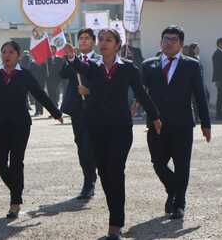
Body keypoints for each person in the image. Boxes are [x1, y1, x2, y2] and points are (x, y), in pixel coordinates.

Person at [63, 29, 160, 240]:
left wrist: (155, 116)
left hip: (120, 129)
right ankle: (114, 214)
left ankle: (115, 226)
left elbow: (141, 93)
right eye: (101, 40)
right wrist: (71, 56)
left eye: (108, 40)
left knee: (116, 173)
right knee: (105, 176)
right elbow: (80, 66)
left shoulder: (128, 68)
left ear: (117, 45)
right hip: (96, 129)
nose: (103, 43)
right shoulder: (93, 67)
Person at [0, 41, 63, 218]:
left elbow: (39, 93)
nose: (7, 55)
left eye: (11, 52)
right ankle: (17, 191)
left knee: (16, 162)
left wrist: (55, 112)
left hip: (20, 125)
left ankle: (14, 202)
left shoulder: (25, 75)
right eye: (4, 52)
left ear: (18, 55)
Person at [141, 26, 212, 220]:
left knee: (182, 164)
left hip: (182, 124)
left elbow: (199, 96)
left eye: (173, 39)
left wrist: (206, 123)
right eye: (165, 39)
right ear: (160, 42)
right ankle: (173, 189)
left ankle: (179, 203)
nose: (168, 42)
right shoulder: (149, 64)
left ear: (181, 44)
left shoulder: (191, 65)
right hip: (156, 123)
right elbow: (141, 92)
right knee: (158, 163)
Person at [60, 28, 100, 200]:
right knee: (82, 146)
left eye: (87, 38)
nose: (83, 41)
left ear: (93, 41)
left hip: (97, 109)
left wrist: (90, 91)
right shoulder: (71, 58)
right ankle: (89, 180)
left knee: (95, 146)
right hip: (77, 110)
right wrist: (70, 59)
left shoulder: (99, 60)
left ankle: (96, 174)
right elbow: (63, 74)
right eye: (81, 38)